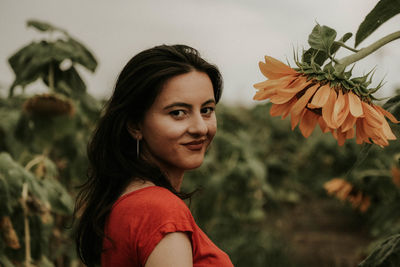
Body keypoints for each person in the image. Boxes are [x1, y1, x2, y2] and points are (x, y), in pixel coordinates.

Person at [74, 44, 234, 267]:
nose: (200, 128)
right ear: (135, 125)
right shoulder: (161, 212)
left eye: (207, 110)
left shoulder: (126, 201)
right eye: (178, 113)